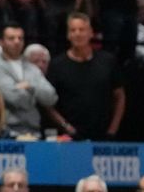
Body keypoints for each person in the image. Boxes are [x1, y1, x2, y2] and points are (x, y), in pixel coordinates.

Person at [48, 12, 126, 140]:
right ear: (68, 35)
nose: (78, 34)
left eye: (82, 29)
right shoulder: (57, 65)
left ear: (91, 33)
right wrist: (66, 126)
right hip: (69, 136)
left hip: (103, 135)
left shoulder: (107, 61)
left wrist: (112, 130)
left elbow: (120, 96)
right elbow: (48, 104)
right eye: (73, 30)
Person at [0, 22, 58, 138]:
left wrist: (29, 86)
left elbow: (51, 97)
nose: (17, 41)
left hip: (34, 132)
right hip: (7, 132)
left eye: (20, 38)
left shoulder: (32, 68)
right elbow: (17, 99)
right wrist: (35, 94)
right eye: (11, 38)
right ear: (0, 42)